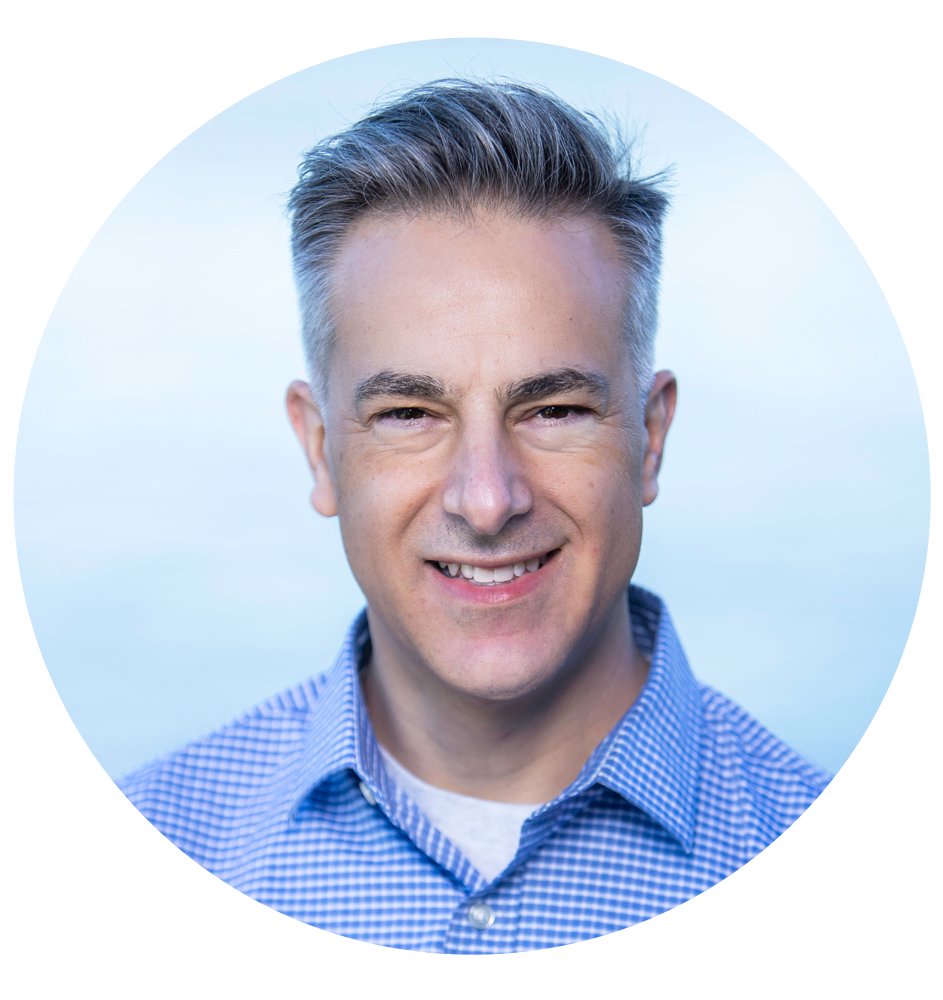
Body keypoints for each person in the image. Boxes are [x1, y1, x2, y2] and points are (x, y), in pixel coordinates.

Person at [13, 79, 929, 955]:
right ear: (316, 447)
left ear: (649, 439)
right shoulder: (114, 893)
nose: (487, 499)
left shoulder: (877, 919)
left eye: (554, 410)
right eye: (409, 414)